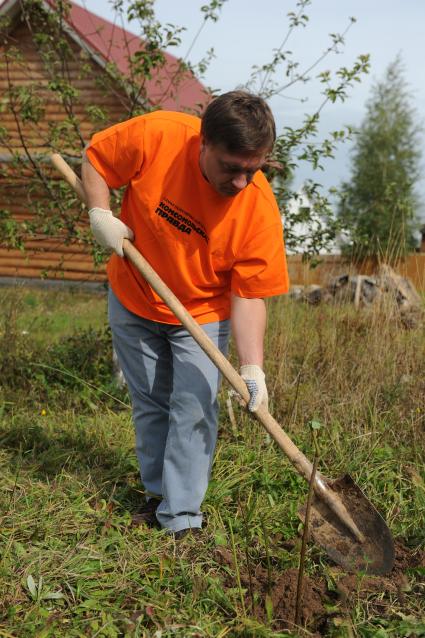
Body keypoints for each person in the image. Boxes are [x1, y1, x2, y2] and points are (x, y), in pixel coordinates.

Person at [82, 90, 289, 539]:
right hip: (134, 296)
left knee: (194, 407)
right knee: (152, 402)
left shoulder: (258, 211)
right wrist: (100, 213)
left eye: (253, 170)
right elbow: (96, 159)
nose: (240, 182)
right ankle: (159, 496)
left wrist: (252, 367)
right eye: (231, 168)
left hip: (201, 313)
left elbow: (250, 294)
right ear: (203, 143)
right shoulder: (158, 135)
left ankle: (182, 521)